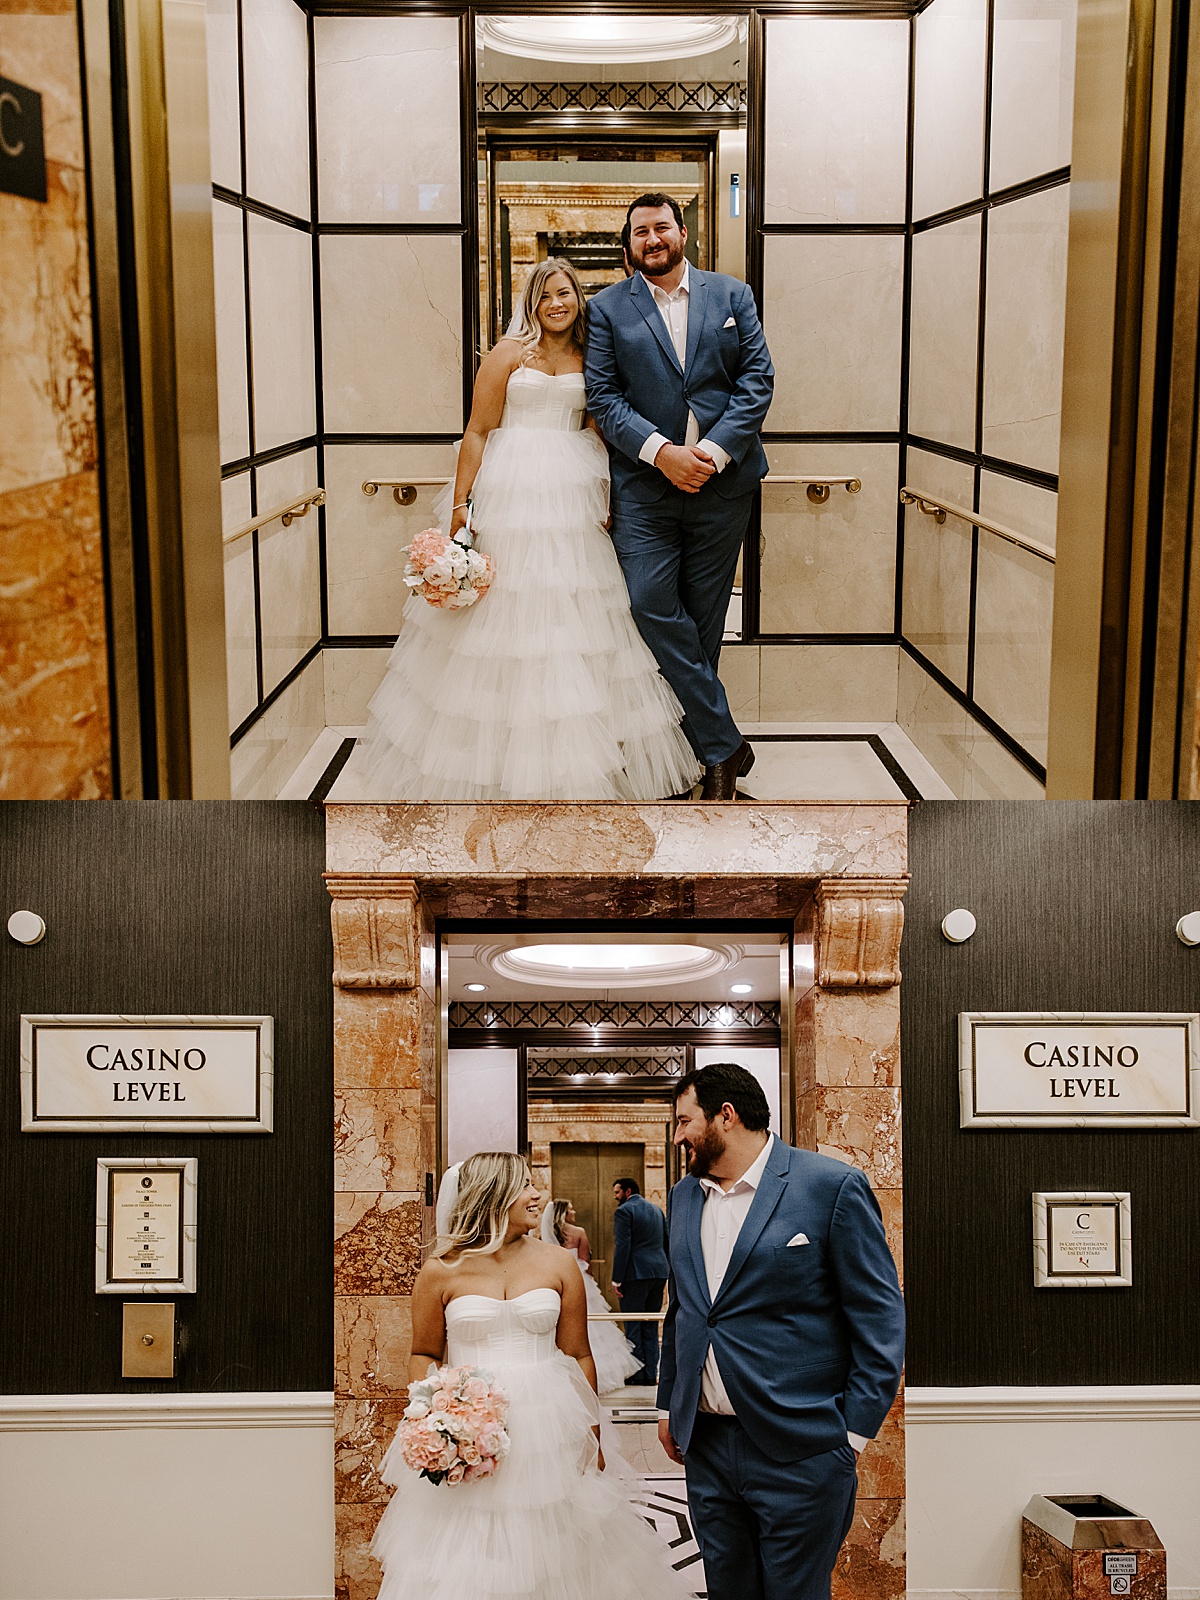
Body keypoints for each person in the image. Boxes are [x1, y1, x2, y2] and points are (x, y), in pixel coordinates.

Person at [355, 257, 700, 802]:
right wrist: (460, 505)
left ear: (578, 298)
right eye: (545, 296)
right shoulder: (509, 354)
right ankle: (493, 760)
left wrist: (606, 495)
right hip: (511, 490)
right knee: (503, 614)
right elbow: (477, 430)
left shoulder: (593, 356)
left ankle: (578, 758)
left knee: (573, 614)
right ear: (531, 303)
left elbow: (598, 430)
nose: (556, 304)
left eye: (565, 293)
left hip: (572, 494)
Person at [372, 1152, 691, 1599]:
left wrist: (594, 1434)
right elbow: (423, 1352)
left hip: (550, 1424)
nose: (537, 1194)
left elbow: (579, 1354)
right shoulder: (440, 1271)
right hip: (470, 1430)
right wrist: (433, 1418)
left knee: (560, 1546)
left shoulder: (558, 1264)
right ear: (492, 1193)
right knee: (469, 1553)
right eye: (525, 1184)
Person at [657, 1063, 905, 1600]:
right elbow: (685, 1310)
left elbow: (880, 1319)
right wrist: (667, 1403)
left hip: (803, 1447)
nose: (677, 1137)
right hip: (707, 1447)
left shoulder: (829, 1186)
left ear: (726, 1116)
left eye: (683, 1122)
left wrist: (850, 1435)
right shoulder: (681, 1198)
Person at [585, 194, 775, 800]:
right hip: (645, 490)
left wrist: (712, 454)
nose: (652, 238)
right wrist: (664, 454)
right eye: (640, 232)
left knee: (705, 623)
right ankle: (724, 741)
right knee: (650, 605)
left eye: (661, 226)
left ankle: (698, 761)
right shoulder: (607, 309)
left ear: (683, 231)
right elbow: (604, 398)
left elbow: (757, 380)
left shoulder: (731, 295)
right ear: (629, 244)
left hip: (724, 486)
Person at [540, 1197, 641, 1395]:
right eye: (571, 1209)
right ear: (563, 1213)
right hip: (579, 1279)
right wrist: (591, 1283)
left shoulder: (547, 1234)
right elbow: (585, 1261)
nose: (574, 1212)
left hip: (555, 1281)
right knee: (592, 1324)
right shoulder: (579, 1232)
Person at [610, 1177, 669, 1386]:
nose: (615, 1197)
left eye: (617, 1192)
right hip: (659, 1272)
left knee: (633, 1324)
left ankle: (637, 1373)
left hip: (635, 1274)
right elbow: (666, 1242)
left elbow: (623, 1246)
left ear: (627, 1191)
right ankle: (651, 1374)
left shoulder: (625, 1211)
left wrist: (617, 1279)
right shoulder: (656, 1210)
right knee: (651, 1325)